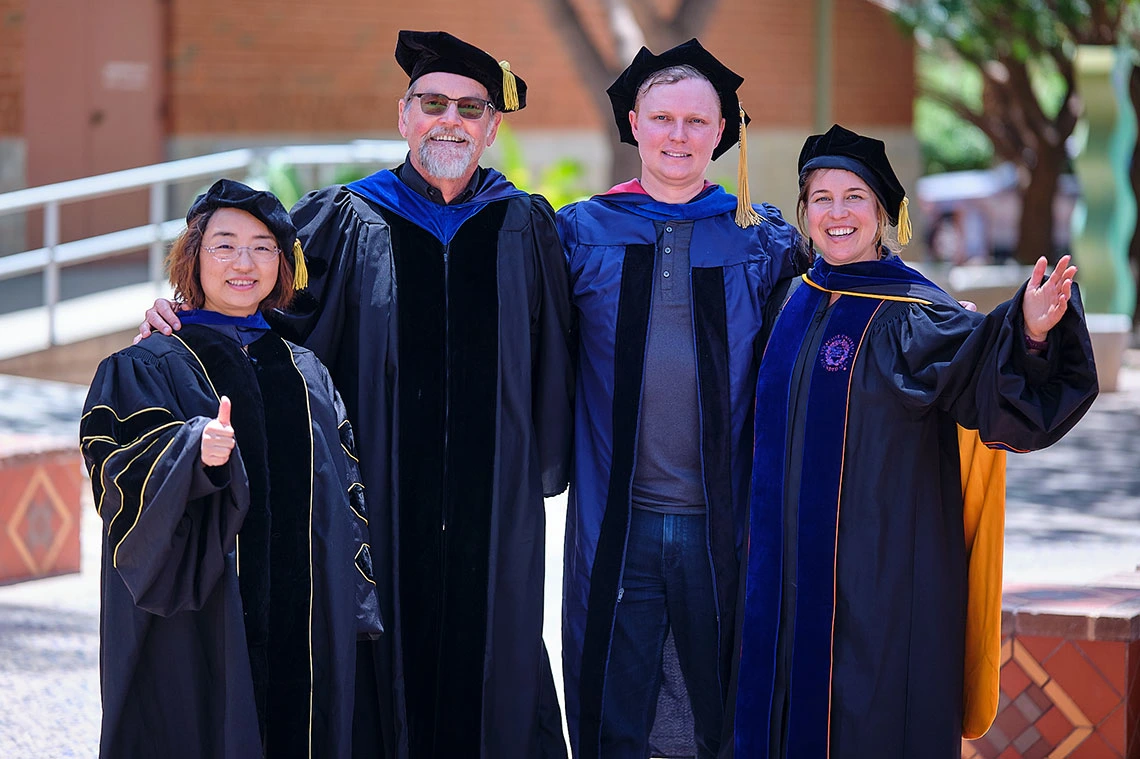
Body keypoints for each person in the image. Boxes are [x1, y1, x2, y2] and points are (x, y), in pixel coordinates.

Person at [139, 30, 574, 759]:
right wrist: (178, 319)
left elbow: (561, 355)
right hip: (379, 505)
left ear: (492, 128)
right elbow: (256, 302)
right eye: (433, 103)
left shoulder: (524, 224)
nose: (451, 121)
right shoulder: (347, 218)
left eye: (471, 108)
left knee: (495, 655)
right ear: (403, 116)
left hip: (492, 512)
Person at [730, 125, 1099, 759]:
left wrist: (1031, 333)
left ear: (883, 215)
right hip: (783, 580)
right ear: (804, 213)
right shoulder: (793, 297)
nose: (837, 213)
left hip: (880, 588)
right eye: (821, 198)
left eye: (855, 198)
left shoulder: (914, 316)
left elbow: (989, 376)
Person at [557, 39, 804, 759]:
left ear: (723, 131)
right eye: (662, 118)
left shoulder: (763, 242)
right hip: (617, 521)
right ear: (633, 122)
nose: (678, 136)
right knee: (613, 706)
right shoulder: (578, 232)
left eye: (697, 122)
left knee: (724, 706)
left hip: (723, 524)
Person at [81, 179, 382, 758]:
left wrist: (355, 604)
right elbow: (113, 469)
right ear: (192, 256)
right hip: (202, 616)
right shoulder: (147, 363)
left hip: (303, 621)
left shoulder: (307, 371)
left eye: (263, 246)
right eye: (224, 245)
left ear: (283, 263)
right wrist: (192, 451)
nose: (244, 262)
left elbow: (345, 492)